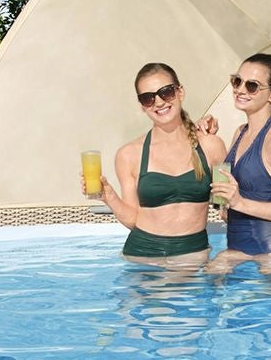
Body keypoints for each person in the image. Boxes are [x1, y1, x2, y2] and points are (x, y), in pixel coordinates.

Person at [84, 62, 228, 268]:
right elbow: (134, 220)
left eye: (166, 92)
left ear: (180, 92)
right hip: (141, 255)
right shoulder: (129, 154)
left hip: (191, 255)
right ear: (142, 105)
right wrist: (108, 196)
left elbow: (226, 208)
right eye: (148, 98)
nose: (159, 102)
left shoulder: (212, 146)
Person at [207, 53, 271, 273]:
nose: (240, 89)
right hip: (238, 248)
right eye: (237, 81)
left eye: (252, 86)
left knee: (261, 298)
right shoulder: (239, 133)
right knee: (209, 281)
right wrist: (208, 139)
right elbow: (225, 202)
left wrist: (240, 203)